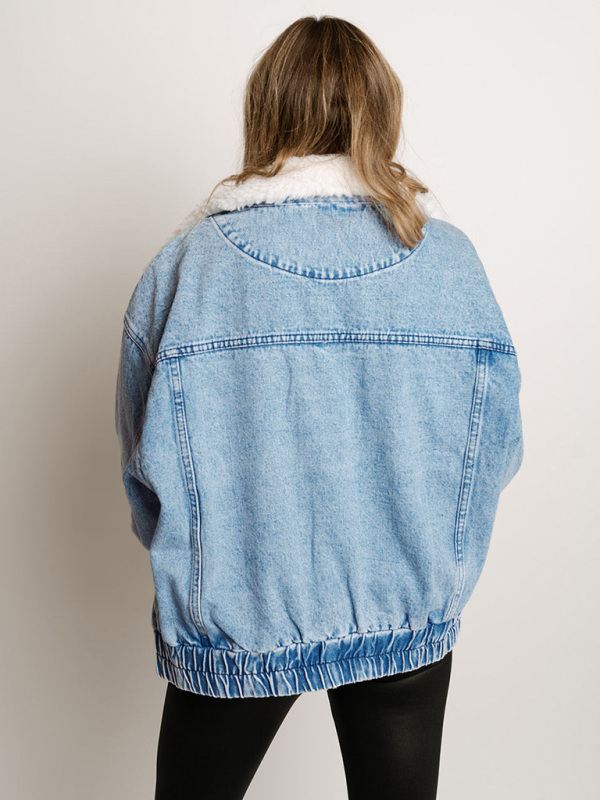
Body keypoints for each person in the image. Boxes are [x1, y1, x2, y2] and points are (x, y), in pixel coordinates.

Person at [114, 15, 524, 800]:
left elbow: (144, 471)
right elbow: (498, 452)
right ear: (384, 111)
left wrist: (207, 562)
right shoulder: (452, 264)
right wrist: (426, 556)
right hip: (406, 614)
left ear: (267, 111)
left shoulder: (187, 270)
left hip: (235, 618)